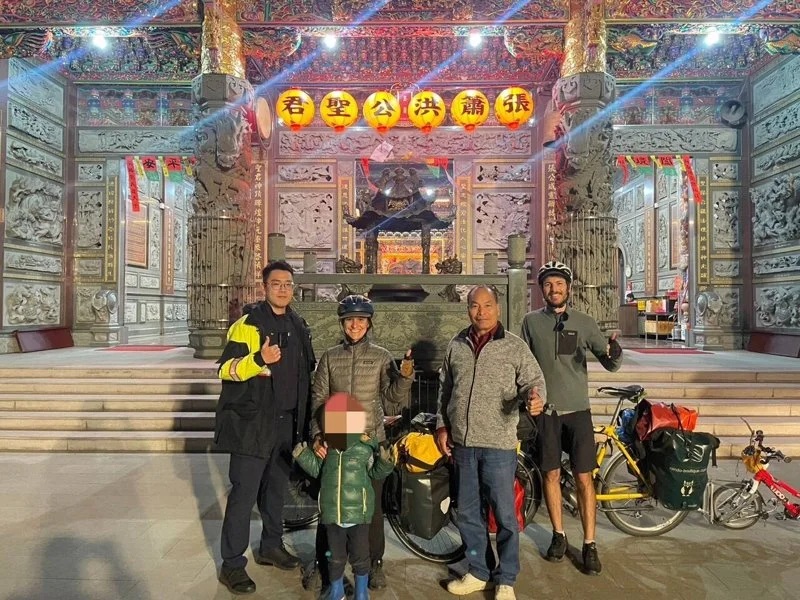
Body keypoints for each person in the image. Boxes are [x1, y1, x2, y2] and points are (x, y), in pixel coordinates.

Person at [435, 285, 546, 600]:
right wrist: (442, 426)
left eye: (487, 305)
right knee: (469, 513)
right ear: (467, 309)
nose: (480, 312)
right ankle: (478, 572)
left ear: (497, 308)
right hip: (463, 445)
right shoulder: (456, 345)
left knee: (505, 515)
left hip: (498, 444)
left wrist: (535, 397)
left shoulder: (513, 346)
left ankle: (506, 578)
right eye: (474, 305)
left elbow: (534, 382)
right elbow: (445, 390)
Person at [214, 260, 316, 595]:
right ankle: (232, 564)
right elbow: (226, 369)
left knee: (275, 491)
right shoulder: (247, 325)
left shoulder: (298, 324)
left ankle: (270, 545)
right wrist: (259, 360)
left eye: (288, 284)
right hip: (254, 424)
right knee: (243, 495)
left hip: (287, 424)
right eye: (276, 284)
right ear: (265, 287)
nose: (283, 289)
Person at [520, 260, 623, 576]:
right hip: (546, 413)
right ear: (542, 290)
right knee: (550, 474)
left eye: (559, 284)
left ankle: (590, 543)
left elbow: (609, 363)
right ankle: (558, 534)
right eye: (548, 284)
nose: (554, 289)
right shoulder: (530, 322)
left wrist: (614, 350)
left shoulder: (585, 322)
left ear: (569, 288)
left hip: (578, 411)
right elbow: (522, 364)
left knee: (583, 477)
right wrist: (526, 395)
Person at [308, 294, 414, 594]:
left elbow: (392, 398)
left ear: (369, 324)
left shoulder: (381, 356)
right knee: (331, 509)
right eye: (349, 320)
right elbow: (319, 399)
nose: (355, 325)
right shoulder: (330, 357)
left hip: (369, 442)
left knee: (371, 509)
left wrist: (405, 374)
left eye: (361, 320)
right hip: (336, 443)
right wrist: (318, 435)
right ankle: (325, 565)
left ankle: (374, 563)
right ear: (342, 323)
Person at [294, 393, 397, 600]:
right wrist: (303, 457)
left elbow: (375, 473)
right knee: (335, 557)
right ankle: (337, 590)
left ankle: (361, 592)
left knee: (361, 557)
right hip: (333, 515)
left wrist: (385, 462)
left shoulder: (365, 447)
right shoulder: (327, 447)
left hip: (358, 515)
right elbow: (318, 470)